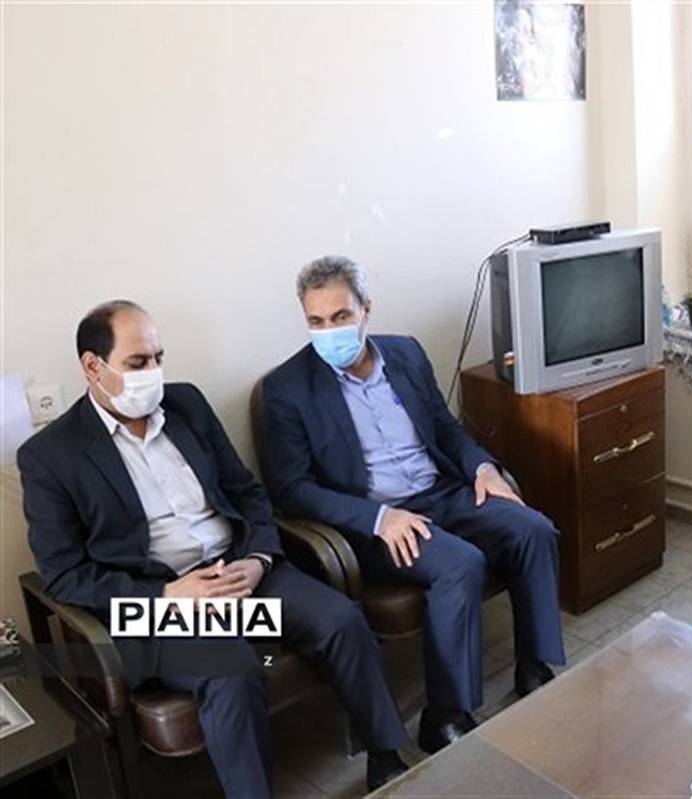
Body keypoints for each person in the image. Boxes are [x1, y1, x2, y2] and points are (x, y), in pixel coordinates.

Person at [18, 301, 410, 797]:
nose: (153, 373)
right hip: (158, 606)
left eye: (158, 358)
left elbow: (247, 493)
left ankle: (388, 760)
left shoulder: (186, 405)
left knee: (341, 621)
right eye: (137, 363)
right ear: (93, 367)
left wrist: (257, 560)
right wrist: (168, 596)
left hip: (238, 574)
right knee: (232, 669)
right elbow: (64, 575)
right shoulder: (50, 456)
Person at [260, 256, 565, 753]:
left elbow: (444, 429)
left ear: (366, 309)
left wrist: (482, 469)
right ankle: (445, 715)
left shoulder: (405, 354)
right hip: (376, 521)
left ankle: (534, 664)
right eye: (316, 321)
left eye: (340, 316)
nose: (329, 331)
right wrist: (379, 518)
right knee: (460, 564)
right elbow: (292, 489)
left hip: (441, 491)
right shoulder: (288, 389)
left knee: (533, 529)